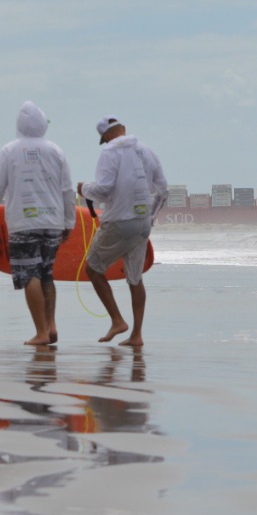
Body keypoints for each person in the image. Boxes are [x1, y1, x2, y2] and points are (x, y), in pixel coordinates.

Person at [0, 101, 76, 346]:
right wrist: (69, 222)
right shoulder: (56, 151)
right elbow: (67, 190)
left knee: (30, 274)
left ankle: (41, 332)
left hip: (23, 223)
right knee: (47, 274)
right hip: (53, 222)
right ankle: (51, 325)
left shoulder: (9, 151)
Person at [79, 117, 168, 347]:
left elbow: (103, 190)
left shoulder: (109, 151)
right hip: (142, 224)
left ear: (106, 136)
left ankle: (117, 320)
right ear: (124, 129)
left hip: (118, 222)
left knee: (93, 269)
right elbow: (163, 190)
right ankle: (137, 335)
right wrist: (151, 218)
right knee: (135, 278)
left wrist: (84, 188)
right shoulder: (147, 151)